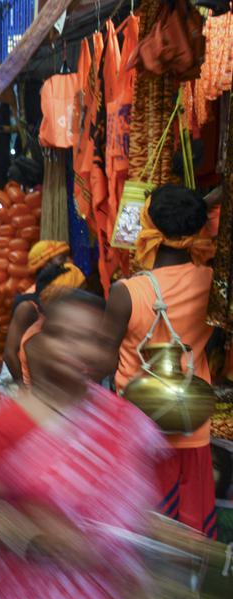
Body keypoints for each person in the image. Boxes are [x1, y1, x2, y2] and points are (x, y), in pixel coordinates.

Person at [0, 290, 169, 599]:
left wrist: (167, 539)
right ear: (39, 341)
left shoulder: (122, 421)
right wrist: (31, 537)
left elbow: (133, 511)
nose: (77, 349)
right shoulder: (3, 421)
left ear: (107, 353)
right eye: (64, 334)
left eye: (93, 340)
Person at [104, 184, 217, 537]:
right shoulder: (213, 283)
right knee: (189, 534)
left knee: (141, 534)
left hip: (137, 431)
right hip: (191, 424)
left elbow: (102, 363)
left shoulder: (127, 292)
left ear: (148, 227)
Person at [6, 261, 87, 384]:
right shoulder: (28, 310)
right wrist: (23, 388)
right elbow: (9, 354)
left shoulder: (62, 319)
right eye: (79, 292)